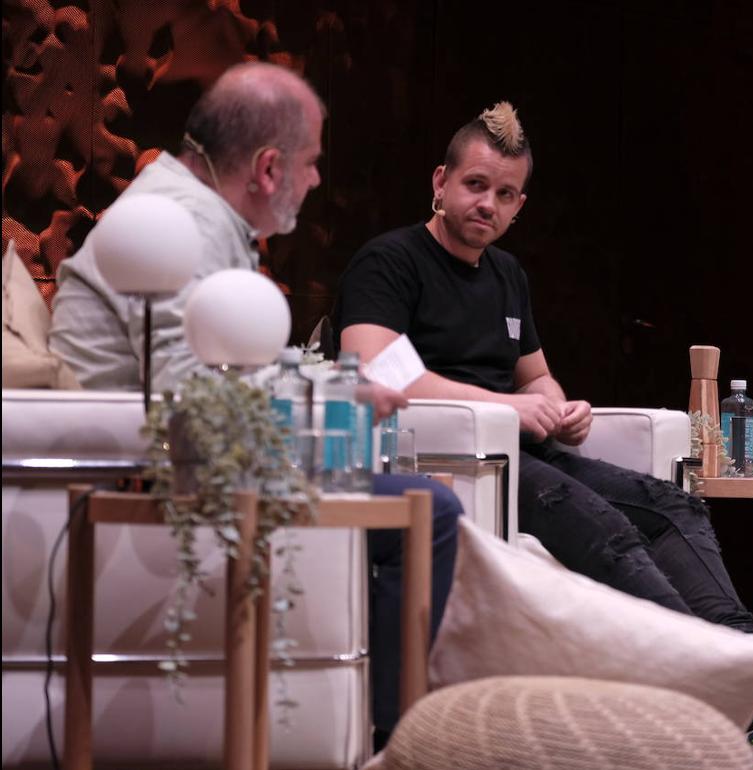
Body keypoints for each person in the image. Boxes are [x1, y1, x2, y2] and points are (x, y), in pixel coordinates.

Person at [332, 102, 753, 766]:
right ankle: (730, 689)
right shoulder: (390, 261)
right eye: (475, 185)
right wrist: (508, 407)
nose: (487, 204)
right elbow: (373, 368)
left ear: (520, 205)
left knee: (674, 505)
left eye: (505, 194)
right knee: (605, 525)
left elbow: (538, 378)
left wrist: (561, 408)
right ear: (440, 181)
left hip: (528, 451)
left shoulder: (506, 275)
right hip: (461, 458)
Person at [45, 62, 460, 752]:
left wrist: (320, 388)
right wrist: (340, 399)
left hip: (184, 460)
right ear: (269, 168)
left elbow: (223, 368)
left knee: (413, 494)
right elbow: (193, 393)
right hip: (150, 476)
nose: (317, 179)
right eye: (312, 162)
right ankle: (394, 746)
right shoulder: (183, 223)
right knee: (433, 511)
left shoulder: (193, 212)